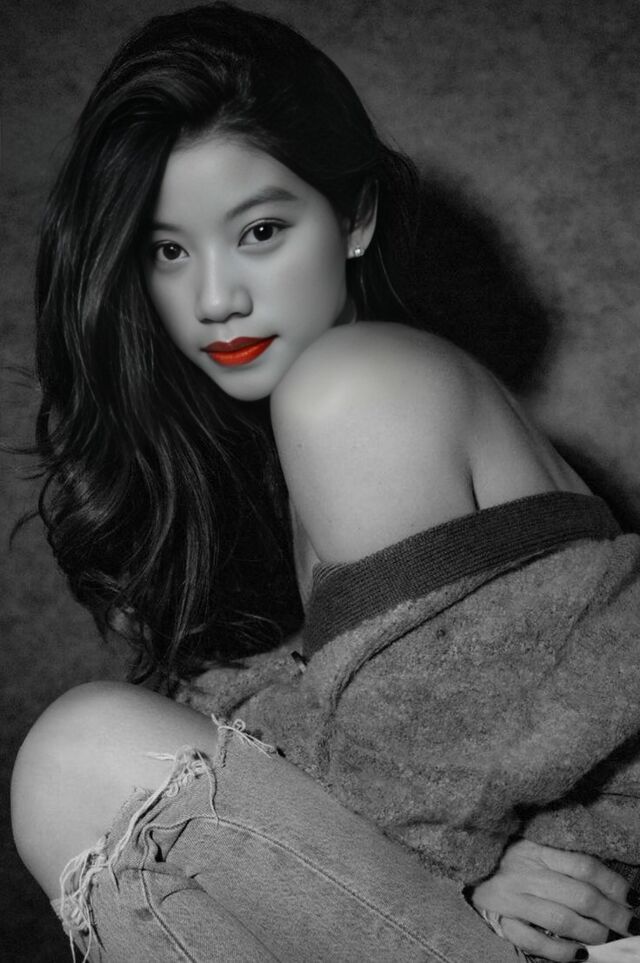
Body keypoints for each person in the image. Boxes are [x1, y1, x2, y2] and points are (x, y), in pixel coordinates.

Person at [9, 4, 640, 962]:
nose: (216, 297)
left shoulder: (357, 387)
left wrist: (468, 862)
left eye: (260, 230)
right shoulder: (278, 455)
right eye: (168, 250)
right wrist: (472, 866)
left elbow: (435, 778)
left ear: (356, 218)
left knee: (80, 753)